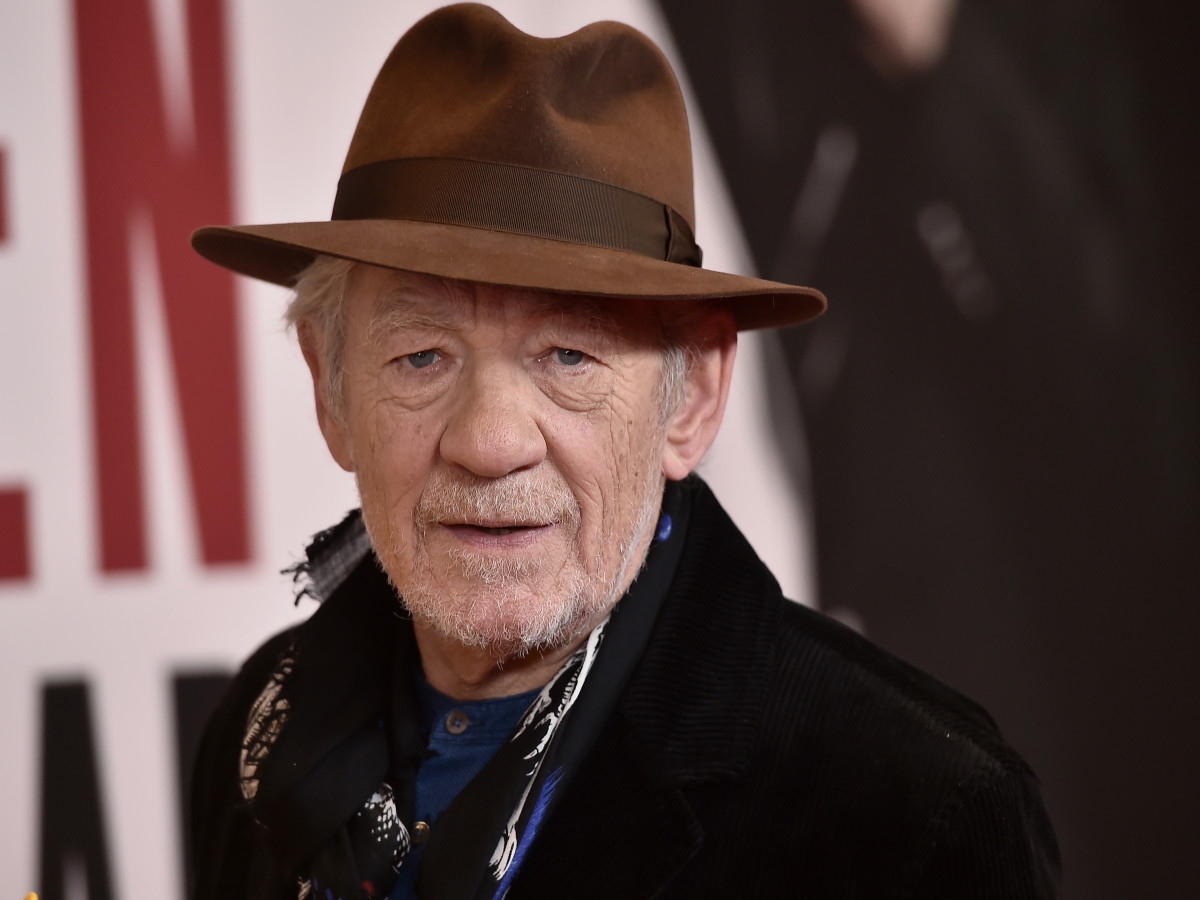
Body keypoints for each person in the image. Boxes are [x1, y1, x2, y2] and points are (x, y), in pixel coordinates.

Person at [188, 5, 1060, 899]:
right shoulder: (260, 734)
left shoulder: (913, 810)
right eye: (422, 356)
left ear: (693, 397)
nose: (490, 442)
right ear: (331, 390)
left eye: (568, 354)